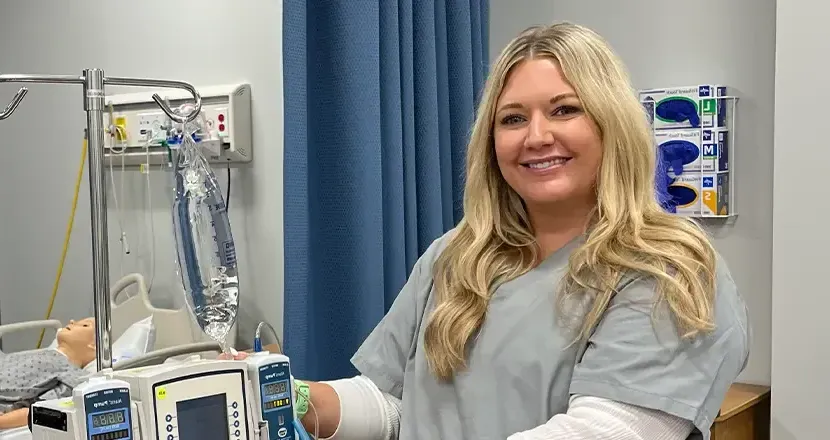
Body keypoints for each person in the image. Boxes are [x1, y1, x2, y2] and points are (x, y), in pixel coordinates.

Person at [229, 22, 750, 440]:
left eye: (565, 110)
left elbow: (611, 429)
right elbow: (393, 406)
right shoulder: (456, 257)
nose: (537, 136)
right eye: (513, 119)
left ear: (612, 123)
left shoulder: (665, 267)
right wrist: (280, 395)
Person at [0, 318, 96, 429]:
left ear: (93, 346)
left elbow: (36, 411)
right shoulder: (41, 353)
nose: (72, 321)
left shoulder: (72, 376)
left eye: (84, 325)